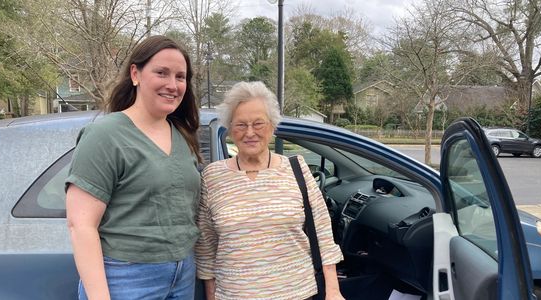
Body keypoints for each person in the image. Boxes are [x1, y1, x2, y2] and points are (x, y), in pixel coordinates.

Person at [65, 35, 201, 300]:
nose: (172, 85)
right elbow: (81, 225)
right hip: (126, 278)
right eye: (162, 73)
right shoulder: (105, 135)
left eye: (180, 77)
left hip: (183, 274)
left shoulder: (182, 134)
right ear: (135, 73)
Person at [196, 81, 345, 300]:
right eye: (240, 125)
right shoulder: (213, 177)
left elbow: (322, 233)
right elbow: (206, 248)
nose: (249, 133)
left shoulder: (296, 169)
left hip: (297, 293)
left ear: (272, 126)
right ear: (230, 128)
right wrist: (211, 296)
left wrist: (333, 290)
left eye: (258, 124)